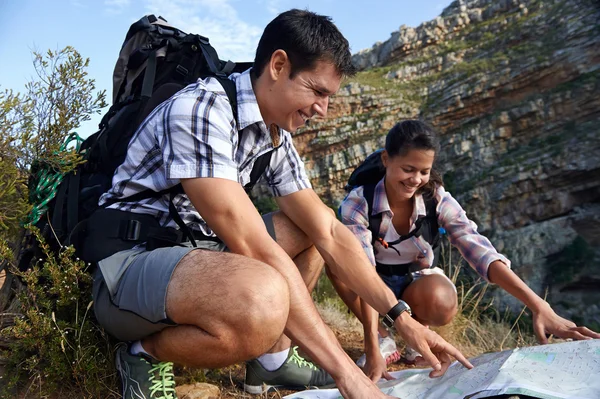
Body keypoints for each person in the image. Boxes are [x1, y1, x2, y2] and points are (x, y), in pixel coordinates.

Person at [91, 11, 473, 399]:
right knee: (262, 298)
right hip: (129, 268)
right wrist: (347, 374)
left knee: (312, 224)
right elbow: (255, 247)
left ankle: (272, 360)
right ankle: (145, 355)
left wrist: (400, 318)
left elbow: (329, 232)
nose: (322, 108)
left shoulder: (274, 136)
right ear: (278, 65)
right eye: (317, 91)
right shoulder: (200, 110)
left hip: (196, 257)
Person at [335, 119, 600, 382]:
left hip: (412, 280)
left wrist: (539, 306)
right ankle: (383, 338)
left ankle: (419, 333)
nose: (416, 179)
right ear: (386, 159)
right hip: (372, 280)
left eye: (424, 171)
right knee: (338, 265)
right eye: (408, 169)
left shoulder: (435, 197)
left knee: (441, 299)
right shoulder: (359, 203)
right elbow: (362, 271)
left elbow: (475, 245)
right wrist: (371, 346)